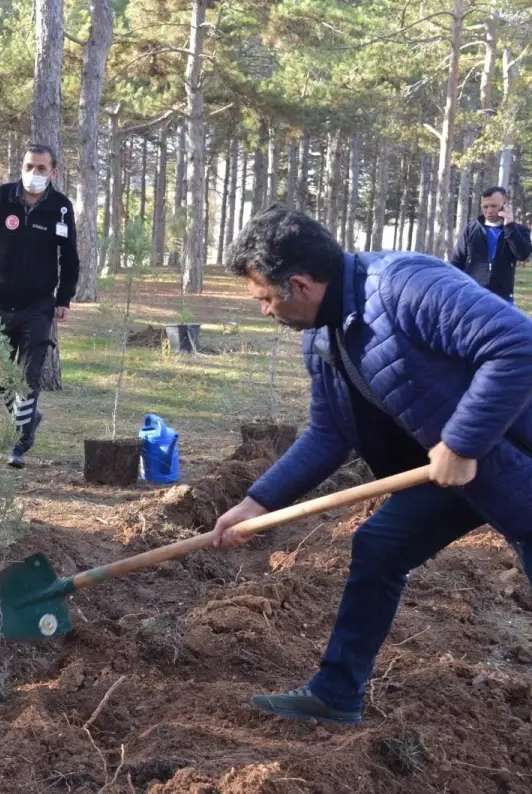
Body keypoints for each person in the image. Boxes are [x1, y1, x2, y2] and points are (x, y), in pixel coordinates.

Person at [213, 207, 532, 725]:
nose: (266, 312)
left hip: (513, 460)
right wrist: (257, 502)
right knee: (380, 545)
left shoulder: (404, 285)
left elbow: (516, 344)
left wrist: (463, 441)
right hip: (455, 471)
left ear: (298, 284)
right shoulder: (323, 336)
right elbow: (329, 434)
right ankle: (336, 695)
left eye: (266, 299)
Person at [0, 143, 79, 468]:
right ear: (22, 167)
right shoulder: (2, 198)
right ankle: (29, 418)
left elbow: (69, 257)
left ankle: (20, 441)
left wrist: (64, 299)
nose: (35, 174)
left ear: (53, 172)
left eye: (42, 168)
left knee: (28, 377)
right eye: (30, 166)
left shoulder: (60, 207)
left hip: (38, 306)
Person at [449, 186, 532, 303]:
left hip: (502, 299)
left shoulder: (519, 230)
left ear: (505, 205)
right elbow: (457, 262)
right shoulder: (471, 229)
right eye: (485, 207)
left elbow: (522, 254)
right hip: (471, 297)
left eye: (494, 206)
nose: (489, 211)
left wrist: (509, 226)